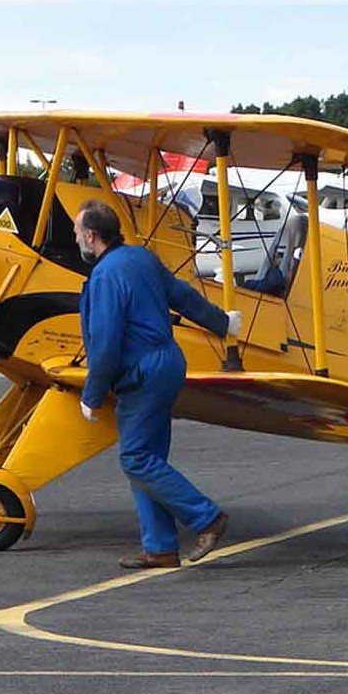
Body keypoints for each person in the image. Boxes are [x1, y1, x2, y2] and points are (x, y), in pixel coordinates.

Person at [74, 199, 243, 569]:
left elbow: (105, 341)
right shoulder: (141, 257)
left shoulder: (105, 276)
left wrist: (92, 393)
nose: (76, 239)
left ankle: (206, 518)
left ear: (91, 236)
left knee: (135, 457)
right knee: (148, 458)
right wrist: (221, 322)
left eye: (77, 232)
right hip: (168, 364)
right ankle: (161, 548)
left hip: (142, 371)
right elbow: (182, 295)